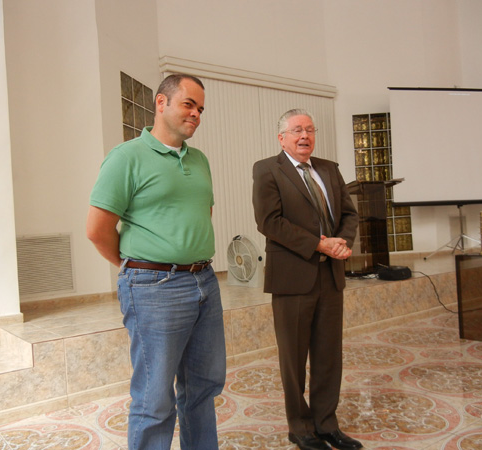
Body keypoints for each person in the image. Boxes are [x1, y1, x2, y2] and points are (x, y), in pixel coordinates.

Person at [86, 73, 226, 450]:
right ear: (161, 103)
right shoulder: (126, 157)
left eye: (200, 108)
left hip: (204, 282)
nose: (196, 113)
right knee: (154, 398)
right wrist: (138, 268)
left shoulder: (199, 160)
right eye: (188, 104)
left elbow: (201, 213)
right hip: (155, 288)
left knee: (202, 387)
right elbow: (97, 229)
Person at [252, 109, 362, 450]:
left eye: (310, 130)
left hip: (330, 276)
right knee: (294, 357)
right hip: (293, 277)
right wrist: (319, 244)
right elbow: (269, 222)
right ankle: (300, 427)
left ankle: (326, 423)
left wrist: (342, 242)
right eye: (297, 130)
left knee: (329, 355)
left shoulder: (329, 169)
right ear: (281, 137)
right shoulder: (267, 169)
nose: (304, 136)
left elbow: (348, 213)